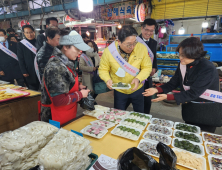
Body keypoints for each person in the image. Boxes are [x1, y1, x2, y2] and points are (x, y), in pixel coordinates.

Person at [143, 37, 221, 133]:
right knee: (188, 131)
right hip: (190, 108)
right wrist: (157, 90)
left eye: (184, 55)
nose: (180, 58)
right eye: (180, 54)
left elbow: (193, 93)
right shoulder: (183, 64)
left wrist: (168, 96)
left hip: (206, 110)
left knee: (203, 136)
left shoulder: (207, 68)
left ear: (195, 54)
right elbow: (173, 82)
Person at [41, 29, 90, 125]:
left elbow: (65, 81)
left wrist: (76, 86)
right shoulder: (56, 66)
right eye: (76, 49)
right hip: (55, 117)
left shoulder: (65, 62)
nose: (79, 52)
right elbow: (59, 100)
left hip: (67, 112)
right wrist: (80, 94)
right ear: (66, 47)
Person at [99, 26, 152, 112]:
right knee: (118, 115)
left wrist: (138, 79)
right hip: (120, 90)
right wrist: (107, 79)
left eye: (134, 43)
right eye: (128, 44)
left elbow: (147, 67)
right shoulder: (109, 51)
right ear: (119, 41)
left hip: (137, 89)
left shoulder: (141, 48)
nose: (132, 47)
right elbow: (103, 69)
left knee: (139, 115)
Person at [139, 18, 158, 114]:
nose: (149, 33)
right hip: (137, 74)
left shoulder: (154, 42)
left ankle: (146, 115)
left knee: (147, 96)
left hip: (148, 74)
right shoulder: (135, 41)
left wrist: (154, 67)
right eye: (147, 30)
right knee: (138, 96)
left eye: (151, 31)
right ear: (142, 29)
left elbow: (154, 56)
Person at [17, 25, 40, 90]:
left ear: (34, 32)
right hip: (29, 70)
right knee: (33, 88)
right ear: (24, 33)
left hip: (40, 69)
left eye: (31, 32)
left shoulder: (39, 42)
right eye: (27, 33)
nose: (29, 34)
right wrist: (24, 71)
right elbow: (20, 59)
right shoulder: (21, 44)